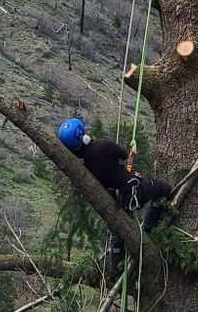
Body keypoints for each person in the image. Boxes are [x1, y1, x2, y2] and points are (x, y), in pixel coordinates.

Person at [58, 117, 171, 276]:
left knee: (118, 231)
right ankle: (150, 226)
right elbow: (123, 154)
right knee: (164, 189)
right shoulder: (104, 145)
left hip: (121, 198)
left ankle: (115, 269)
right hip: (132, 191)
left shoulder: (81, 163)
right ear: (83, 136)